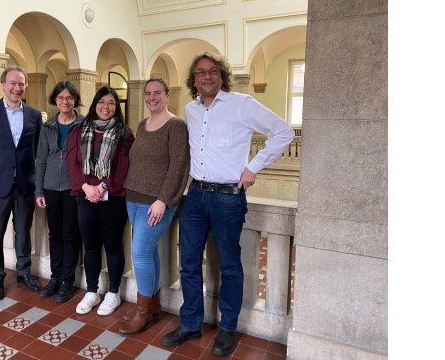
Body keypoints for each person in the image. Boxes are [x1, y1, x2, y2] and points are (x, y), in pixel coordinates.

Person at [161, 52, 294, 356]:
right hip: (195, 196)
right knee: (189, 263)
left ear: (221, 75)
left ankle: (227, 328)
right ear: (193, 80)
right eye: (200, 73)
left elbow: (283, 131)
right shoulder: (190, 110)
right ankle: (191, 322)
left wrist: (253, 168)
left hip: (227, 199)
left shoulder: (242, 104)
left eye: (212, 71)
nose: (206, 77)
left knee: (231, 267)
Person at [118, 77, 190, 336]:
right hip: (133, 198)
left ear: (167, 95)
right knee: (149, 253)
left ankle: (142, 312)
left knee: (139, 253)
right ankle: (156, 305)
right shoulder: (142, 123)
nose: (151, 97)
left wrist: (163, 200)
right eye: (147, 93)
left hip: (157, 203)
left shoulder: (176, 126)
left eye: (157, 92)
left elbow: (179, 166)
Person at [0, 66, 44, 301]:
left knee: (23, 232)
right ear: (3, 85)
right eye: (13, 83)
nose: (17, 88)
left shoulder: (33, 115)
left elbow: (38, 150)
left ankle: (24, 273)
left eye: (21, 84)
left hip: (25, 185)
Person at [67, 86, 134, 316]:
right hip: (85, 198)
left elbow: (124, 167)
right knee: (91, 246)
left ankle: (113, 293)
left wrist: (102, 186)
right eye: (102, 102)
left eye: (111, 103)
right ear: (95, 104)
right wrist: (86, 187)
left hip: (113, 199)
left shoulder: (124, 134)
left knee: (113, 246)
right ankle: (92, 290)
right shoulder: (79, 131)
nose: (106, 107)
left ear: (117, 107)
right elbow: (72, 164)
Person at [34, 81, 85, 303]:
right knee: (54, 234)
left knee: (70, 235)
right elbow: (41, 160)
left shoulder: (84, 124)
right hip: (51, 188)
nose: (65, 102)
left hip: (74, 187)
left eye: (69, 98)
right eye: (61, 98)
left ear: (75, 100)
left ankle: (67, 281)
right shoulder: (48, 126)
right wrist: (39, 190)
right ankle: (55, 278)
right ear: (55, 100)